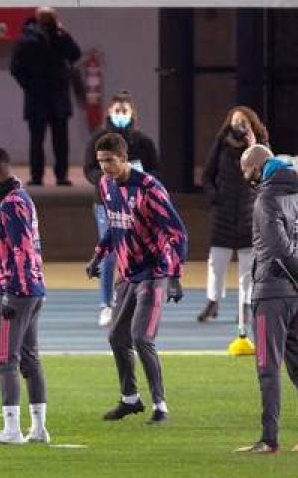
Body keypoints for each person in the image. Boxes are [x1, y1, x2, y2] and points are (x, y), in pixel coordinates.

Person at [86, 133, 187, 425]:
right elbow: (113, 227)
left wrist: (175, 276)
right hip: (127, 275)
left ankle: (161, 405)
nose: (105, 167)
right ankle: (130, 399)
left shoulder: (149, 188)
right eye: (101, 161)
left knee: (141, 338)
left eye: (110, 160)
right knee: (117, 337)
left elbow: (178, 233)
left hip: (154, 274)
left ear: (124, 158)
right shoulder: (106, 185)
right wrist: (97, 257)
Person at [235, 145, 298, 454]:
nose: (246, 177)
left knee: (267, 367)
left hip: (270, 295)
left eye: (247, 170)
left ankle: (269, 439)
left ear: (259, 167)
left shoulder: (267, 199)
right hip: (295, 298)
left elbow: (280, 249)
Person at [0, 148, 50, 445]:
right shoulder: (21, 199)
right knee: (30, 360)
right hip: (32, 289)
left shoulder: (11, 205)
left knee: (6, 358)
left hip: (16, 292)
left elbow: (21, 250)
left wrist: (9, 293)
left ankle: (12, 430)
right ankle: (38, 428)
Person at [83, 91, 161, 327]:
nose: (120, 115)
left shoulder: (143, 142)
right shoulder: (98, 139)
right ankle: (106, 304)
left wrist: (140, 177)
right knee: (110, 253)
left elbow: (155, 170)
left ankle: (131, 299)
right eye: (117, 110)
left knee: (136, 252)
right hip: (106, 203)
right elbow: (89, 169)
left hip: (137, 204)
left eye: (124, 111)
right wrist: (106, 178)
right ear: (109, 112)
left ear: (132, 114)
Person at [197, 107, 269, 348]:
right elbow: (207, 175)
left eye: (243, 122)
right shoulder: (221, 145)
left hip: (250, 213)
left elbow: (269, 172)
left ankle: (246, 306)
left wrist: (254, 144)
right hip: (224, 212)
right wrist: (214, 197)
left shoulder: (260, 146)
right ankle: (213, 301)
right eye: (235, 122)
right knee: (216, 262)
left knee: (248, 266)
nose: (238, 126)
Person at [9, 7, 82, 187]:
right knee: (52, 140)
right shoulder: (32, 39)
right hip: (48, 96)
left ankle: (42, 176)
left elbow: (75, 54)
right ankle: (54, 176)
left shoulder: (32, 38)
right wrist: (29, 85)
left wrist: (28, 85)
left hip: (46, 96)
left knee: (45, 139)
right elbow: (16, 67)